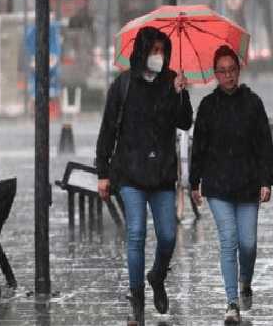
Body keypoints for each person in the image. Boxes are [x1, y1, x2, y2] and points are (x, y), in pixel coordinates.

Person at [96, 26, 193, 325]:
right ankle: (136, 298)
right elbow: (108, 130)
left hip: (162, 174)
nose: (159, 57)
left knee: (167, 236)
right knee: (136, 233)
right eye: (153, 51)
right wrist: (103, 171)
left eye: (163, 51)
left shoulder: (170, 81)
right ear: (141, 52)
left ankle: (157, 276)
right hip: (130, 174)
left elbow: (185, 123)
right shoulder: (123, 85)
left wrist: (182, 93)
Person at [189, 45, 273, 325]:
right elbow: (198, 148)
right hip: (217, 187)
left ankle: (245, 282)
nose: (228, 75)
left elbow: (265, 144)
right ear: (215, 74)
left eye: (232, 70)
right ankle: (231, 302)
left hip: (248, 185)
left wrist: (266, 180)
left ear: (239, 71)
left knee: (248, 244)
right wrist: (194, 182)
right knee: (229, 241)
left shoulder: (253, 103)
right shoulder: (207, 107)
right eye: (222, 71)